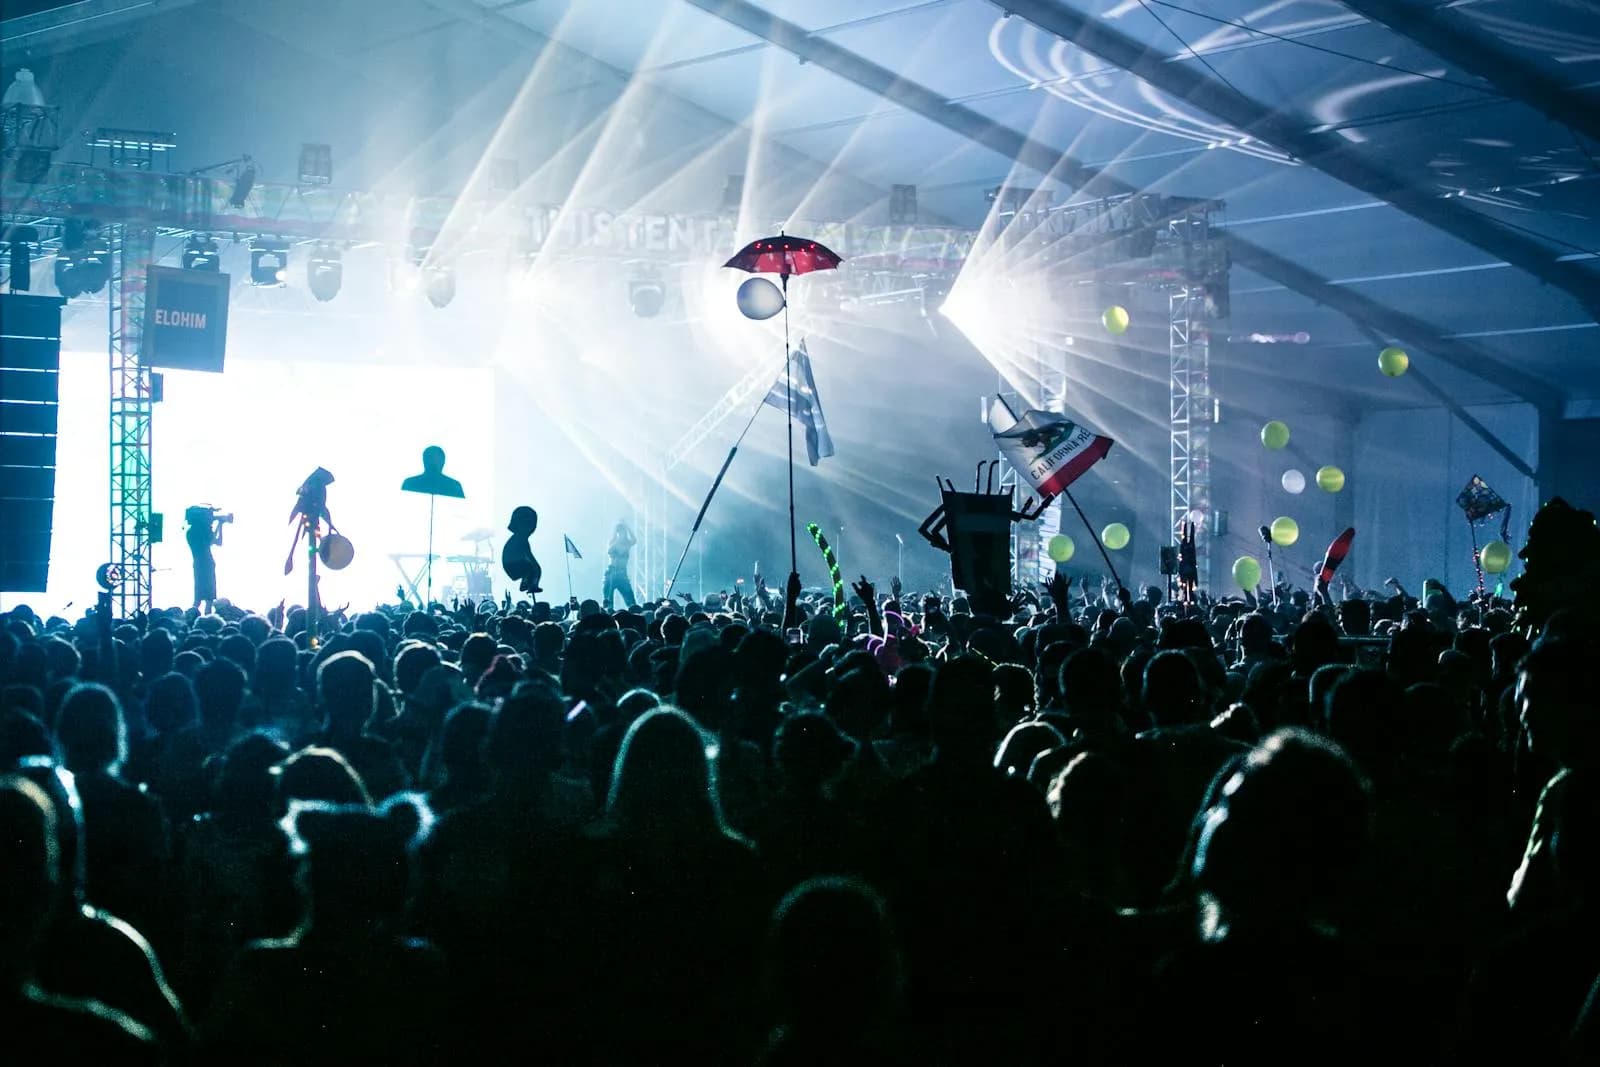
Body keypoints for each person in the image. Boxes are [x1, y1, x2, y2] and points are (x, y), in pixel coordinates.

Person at [604, 520, 637, 610]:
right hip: (611, 573)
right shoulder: (612, 542)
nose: (620, 534)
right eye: (618, 532)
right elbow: (609, 551)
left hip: (622, 574)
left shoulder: (627, 544)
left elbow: (634, 540)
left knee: (631, 602)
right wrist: (617, 539)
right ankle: (608, 620)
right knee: (608, 603)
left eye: (621, 531)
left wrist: (628, 527)